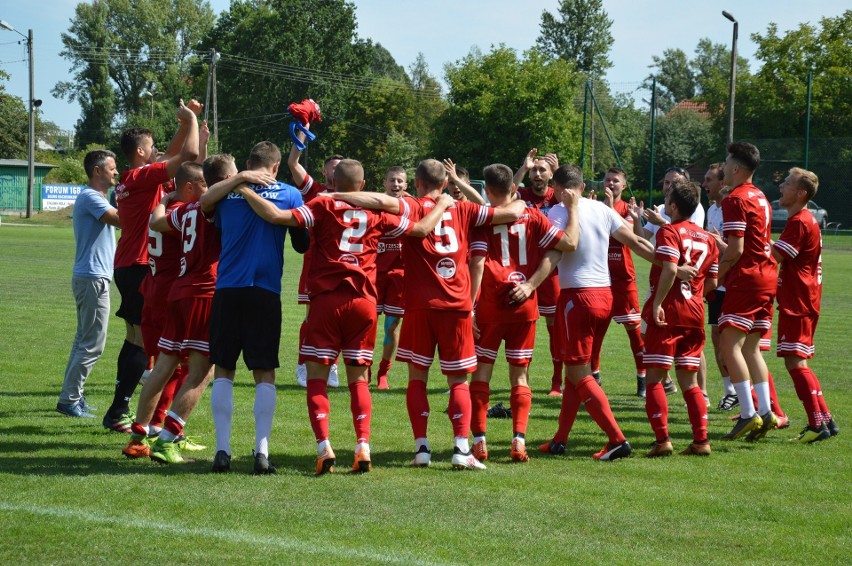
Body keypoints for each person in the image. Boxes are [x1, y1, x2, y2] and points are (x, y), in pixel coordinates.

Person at [238, 159, 453, 474]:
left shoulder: (323, 203)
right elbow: (421, 229)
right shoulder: (378, 212)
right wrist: (444, 204)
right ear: (363, 185)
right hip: (364, 301)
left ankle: (324, 446)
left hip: (327, 302)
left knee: (316, 379)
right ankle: (362, 445)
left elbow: (276, 215)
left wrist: (243, 188)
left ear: (332, 181)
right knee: (358, 381)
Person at [331, 158, 526, 470]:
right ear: (445, 184)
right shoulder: (464, 209)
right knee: (458, 381)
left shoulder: (413, 206)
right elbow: (512, 211)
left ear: (417, 183)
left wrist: (337, 195)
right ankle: (461, 450)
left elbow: (381, 201)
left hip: (420, 305)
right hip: (457, 306)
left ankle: (422, 449)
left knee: (417, 379)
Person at [199, 142, 309, 474]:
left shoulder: (225, 195)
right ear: (276, 167)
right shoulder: (290, 194)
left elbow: (206, 206)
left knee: (224, 369)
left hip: (228, 289)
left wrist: (238, 183)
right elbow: (303, 244)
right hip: (264, 291)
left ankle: (222, 450)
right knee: (264, 372)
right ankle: (261, 451)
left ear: (248, 163)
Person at [538, 164, 655, 460]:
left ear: (562, 188)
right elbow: (638, 241)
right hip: (605, 296)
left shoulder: (558, 212)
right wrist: (672, 267)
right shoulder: (603, 210)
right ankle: (559, 440)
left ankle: (617, 439)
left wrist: (529, 284)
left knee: (581, 375)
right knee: (575, 372)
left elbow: (554, 253)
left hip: (577, 297)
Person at [468, 163, 579, 463]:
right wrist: (531, 285)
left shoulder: (483, 221)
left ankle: (479, 441)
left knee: (481, 374)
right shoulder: (532, 216)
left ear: (488, 191)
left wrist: (471, 308)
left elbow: (477, 265)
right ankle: (518, 440)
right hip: (524, 305)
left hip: (491, 305)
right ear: (513, 188)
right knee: (519, 376)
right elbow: (566, 245)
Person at [106, 99, 200, 432]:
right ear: (141, 153)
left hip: (128, 264)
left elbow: (171, 155)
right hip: (141, 266)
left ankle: (120, 410)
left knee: (135, 339)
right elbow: (186, 158)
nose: (156, 149)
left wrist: (186, 126)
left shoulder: (132, 179)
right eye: (151, 146)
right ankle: (131, 415)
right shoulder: (142, 178)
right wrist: (189, 121)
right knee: (152, 346)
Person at [125, 162, 219, 464]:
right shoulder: (201, 209)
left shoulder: (173, 210)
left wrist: (164, 200)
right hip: (189, 292)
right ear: (191, 187)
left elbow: (156, 223)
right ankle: (167, 435)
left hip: (161, 291)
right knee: (198, 370)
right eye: (204, 183)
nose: (208, 188)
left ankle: (140, 435)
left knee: (165, 366)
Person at [642, 178, 718, 457]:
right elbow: (712, 281)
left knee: (654, 378)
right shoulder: (708, 238)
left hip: (669, 312)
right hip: (695, 313)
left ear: (672, 206)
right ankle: (701, 441)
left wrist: (657, 303)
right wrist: (695, 295)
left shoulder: (669, 232)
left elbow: (670, 269)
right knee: (690, 382)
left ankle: (662, 440)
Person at [717, 141, 778, 441]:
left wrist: (716, 274)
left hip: (748, 278)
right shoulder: (762, 197)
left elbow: (736, 249)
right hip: (767, 276)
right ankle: (765, 412)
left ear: (737, 167)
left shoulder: (736, 199)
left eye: (727, 163)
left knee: (730, 346)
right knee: (752, 347)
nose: (723, 168)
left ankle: (747, 413)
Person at [772, 168, 838, 443]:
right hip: (803, 300)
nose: (781, 188)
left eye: (787, 184)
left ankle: (815, 424)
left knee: (796, 364)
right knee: (798, 363)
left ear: (801, 193)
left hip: (798, 302)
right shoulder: (804, 220)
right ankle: (825, 419)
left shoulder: (800, 221)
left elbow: (775, 255)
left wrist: (747, 242)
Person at [56, 149, 121, 418]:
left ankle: (72, 397)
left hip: (92, 276)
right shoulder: (90, 197)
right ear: (98, 171)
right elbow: (121, 219)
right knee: (93, 343)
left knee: (83, 340)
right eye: (112, 168)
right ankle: (70, 399)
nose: (116, 172)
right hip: (93, 278)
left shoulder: (97, 197)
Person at [288, 128, 343, 388]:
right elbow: (292, 163)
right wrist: (303, 132)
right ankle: (302, 364)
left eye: (341, 168)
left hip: (343, 267)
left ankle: (331, 364)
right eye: (333, 168)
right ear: (324, 171)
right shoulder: (315, 189)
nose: (337, 171)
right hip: (315, 265)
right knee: (312, 318)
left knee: (338, 317)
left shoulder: (354, 194)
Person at [591, 167, 646, 397]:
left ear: (624, 186)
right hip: (600, 278)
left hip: (624, 280)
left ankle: (642, 380)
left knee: (634, 331)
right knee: (595, 331)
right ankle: (594, 376)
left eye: (615, 181)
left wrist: (610, 206)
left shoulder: (627, 210)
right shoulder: (593, 207)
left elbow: (624, 234)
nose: (610, 183)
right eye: (607, 179)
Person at [513, 148, 563, 396]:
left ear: (551, 174)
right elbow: (507, 191)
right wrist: (523, 166)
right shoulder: (521, 194)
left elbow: (573, 190)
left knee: (554, 326)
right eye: (534, 170)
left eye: (542, 169)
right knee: (525, 324)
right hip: (525, 271)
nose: (537, 173)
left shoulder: (557, 197)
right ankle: (524, 381)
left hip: (551, 271)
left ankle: (557, 382)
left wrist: (559, 170)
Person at [703, 163, 738, 410]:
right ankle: (731, 390)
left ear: (722, 182)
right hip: (717, 283)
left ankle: (749, 395)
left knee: (735, 342)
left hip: (735, 284)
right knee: (717, 337)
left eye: (709, 180)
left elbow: (737, 250)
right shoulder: (712, 210)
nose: (705, 184)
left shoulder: (734, 207)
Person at [375, 166, 409, 390]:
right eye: (392, 180)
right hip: (374, 275)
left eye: (400, 181)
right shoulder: (375, 206)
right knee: (367, 325)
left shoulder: (411, 208)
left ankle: (383, 373)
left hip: (400, 276)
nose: (396, 184)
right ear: (384, 183)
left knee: (392, 327)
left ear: (406, 185)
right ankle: (364, 366)